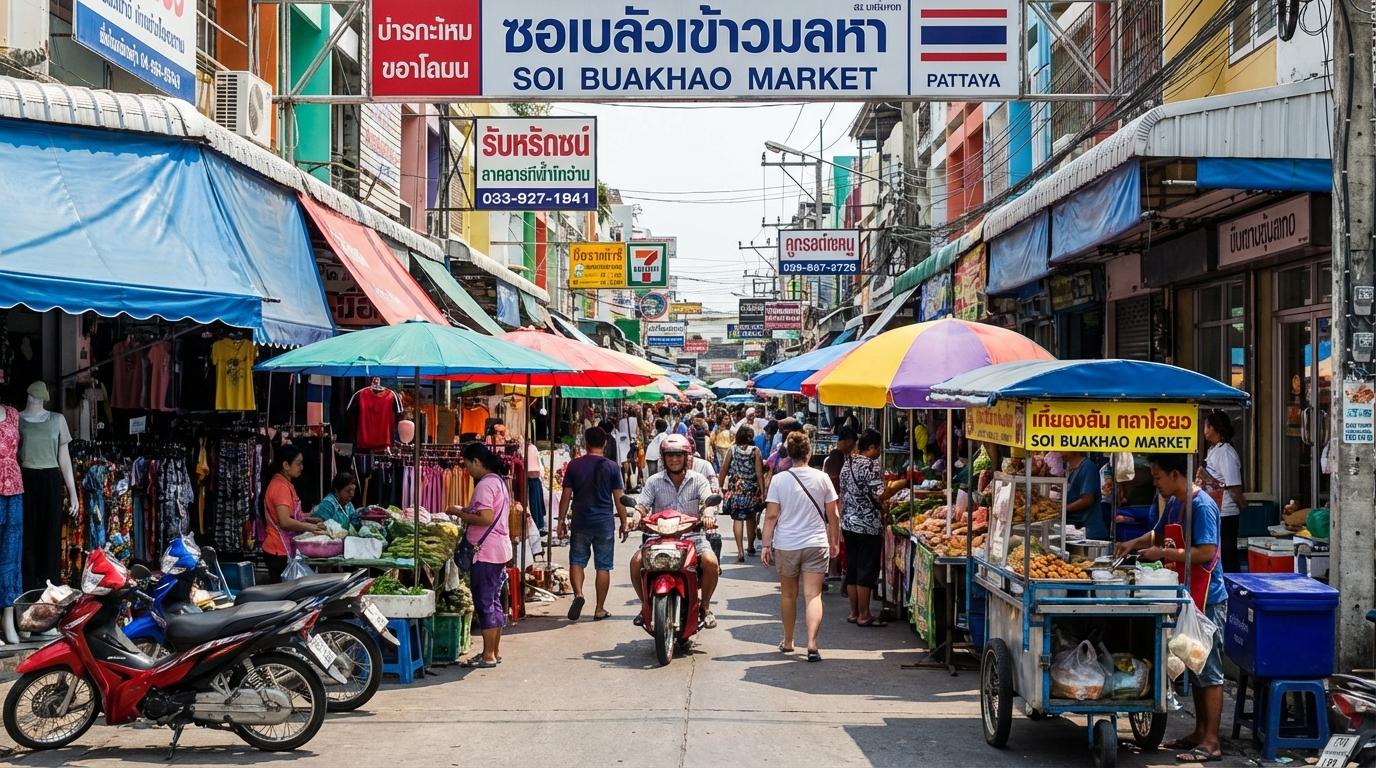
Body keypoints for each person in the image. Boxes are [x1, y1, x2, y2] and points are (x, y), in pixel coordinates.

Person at [1115, 454, 1228, 763]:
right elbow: (1158, 533)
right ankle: (1199, 733)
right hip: (1186, 596)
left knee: (1209, 671)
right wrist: (1135, 544)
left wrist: (1162, 553)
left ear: (1175, 474)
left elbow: (1206, 552)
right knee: (1195, 669)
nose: (1155, 483)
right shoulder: (1176, 502)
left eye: (1157, 477)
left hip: (1207, 598)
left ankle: (1212, 742)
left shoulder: (1201, 505)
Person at [628, 434, 721, 629]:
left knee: (711, 562)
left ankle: (705, 607)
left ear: (687, 457)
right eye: (670, 455)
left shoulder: (699, 480)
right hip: (657, 537)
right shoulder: (654, 481)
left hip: (692, 536)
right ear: (663, 458)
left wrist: (708, 515)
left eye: (679, 455)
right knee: (636, 562)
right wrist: (635, 517)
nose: (674, 459)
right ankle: (645, 604)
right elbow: (642, 505)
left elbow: (708, 503)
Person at [762, 432, 839, 662]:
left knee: (788, 595)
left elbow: (771, 515)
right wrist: (834, 540)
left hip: (787, 544)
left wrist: (766, 544)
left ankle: (788, 641)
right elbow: (833, 514)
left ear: (789, 454)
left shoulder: (779, 480)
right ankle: (812, 643)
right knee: (813, 595)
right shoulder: (822, 478)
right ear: (810, 452)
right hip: (816, 542)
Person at [451, 443, 513, 668]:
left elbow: (486, 518)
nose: (467, 470)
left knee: (485, 603)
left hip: (485, 552)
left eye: (468, 465)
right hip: (498, 549)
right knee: (494, 601)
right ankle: (494, 652)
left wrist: (459, 513)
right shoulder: (499, 481)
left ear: (477, 462)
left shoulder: (486, 485)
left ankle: (488, 656)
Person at [557, 427, 629, 622]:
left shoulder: (574, 465)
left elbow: (566, 495)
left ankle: (579, 594)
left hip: (580, 521)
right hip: (604, 523)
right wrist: (624, 521)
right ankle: (599, 609)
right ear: (604, 444)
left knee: (577, 561)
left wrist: (561, 520)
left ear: (586, 443)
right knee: (603, 566)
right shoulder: (612, 467)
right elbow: (619, 498)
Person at [839, 429, 890, 626]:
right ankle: (864, 614)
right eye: (878, 448)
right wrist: (904, 483)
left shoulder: (848, 463)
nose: (879, 452)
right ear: (871, 447)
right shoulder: (870, 465)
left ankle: (854, 612)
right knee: (866, 569)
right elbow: (880, 494)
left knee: (852, 567)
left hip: (849, 523)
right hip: (867, 524)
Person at [261, 445, 326, 582]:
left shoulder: (285, 484)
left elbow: (293, 516)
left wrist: (309, 519)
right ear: (285, 465)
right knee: (283, 597)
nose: (301, 467)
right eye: (298, 463)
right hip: (278, 550)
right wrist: (311, 528)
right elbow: (285, 521)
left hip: (281, 550)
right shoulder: (280, 487)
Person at [1199, 411, 1244, 572]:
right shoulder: (1214, 450)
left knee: (1227, 555)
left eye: (1206, 425)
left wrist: (1244, 508)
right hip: (1215, 510)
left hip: (1226, 512)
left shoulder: (1226, 452)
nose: (1203, 429)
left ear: (1213, 428)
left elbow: (1233, 487)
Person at [723, 425, 767, 562]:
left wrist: (719, 486)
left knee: (737, 518)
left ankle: (740, 551)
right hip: (751, 489)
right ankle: (750, 545)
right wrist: (762, 489)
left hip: (736, 488)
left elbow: (724, 469)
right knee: (750, 517)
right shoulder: (755, 451)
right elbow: (759, 473)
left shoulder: (732, 450)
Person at [1063, 451, 1106, 540]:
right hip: (1075, 529)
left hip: (1089, 532)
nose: (1057, 452)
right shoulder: (1069, 468)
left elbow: (1087, 500)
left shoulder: (1087, 467)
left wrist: (1062, 509)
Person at [822, 426, 858, 494]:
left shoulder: (828, 459)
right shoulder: (840, 458)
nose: (854, 447)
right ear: (849, 442)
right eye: (854, 444)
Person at [524, 437, 547, 534]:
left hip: (532, 478)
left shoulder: (529, 448)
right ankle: (538, 525)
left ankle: (537, 525)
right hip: (534, 477)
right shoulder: (531, 448)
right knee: (535, 502)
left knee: (534, 503)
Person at [617, 407, 640, 491]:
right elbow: (637, 432)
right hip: (632, 444)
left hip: (622, 444)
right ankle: (632, 485)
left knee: (624, 467)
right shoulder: (635, 420)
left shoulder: (620, 422)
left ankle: (624, 485)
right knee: (632, 465)